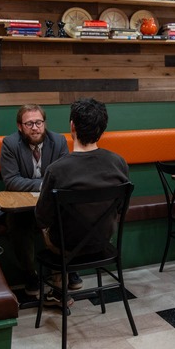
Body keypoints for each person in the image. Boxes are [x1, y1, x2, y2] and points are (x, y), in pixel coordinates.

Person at [35, 98, 129, 305]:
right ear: (102, 130)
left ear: (72, 126)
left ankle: (59, 291)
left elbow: (42, 218)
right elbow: (121, 208)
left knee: (45, 226)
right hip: (104, 243)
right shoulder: (118, 163)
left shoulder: (56, 170)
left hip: (66, 248)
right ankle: (68, 282)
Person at [0, 104, 77, 296]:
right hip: (23, 207)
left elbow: (64, 175)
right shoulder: (10, 143)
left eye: (38, 122)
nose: (35, 127)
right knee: (18, 223)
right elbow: (11, 180)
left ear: (44, 123)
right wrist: (44, 185)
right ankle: (30, 273)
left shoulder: (58, 141)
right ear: (20, 126)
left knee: (70, 216)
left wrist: (45, 186)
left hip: (52, 204)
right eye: (29, 123)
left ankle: (66, 268)